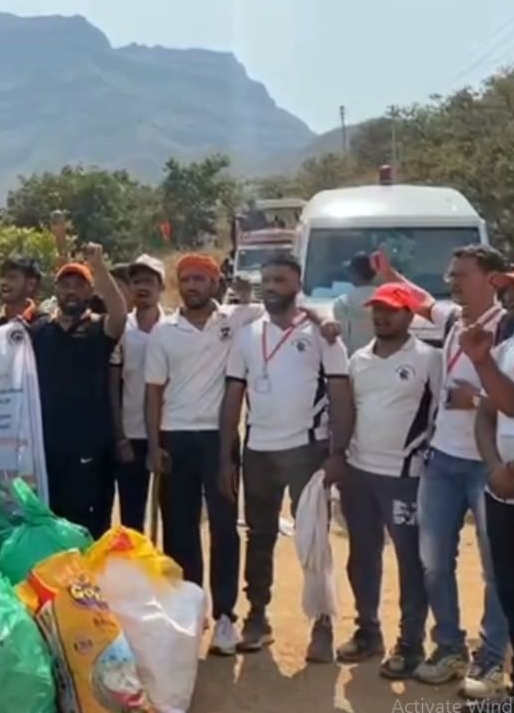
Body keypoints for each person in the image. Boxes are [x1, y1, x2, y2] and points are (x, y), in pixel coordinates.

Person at [375, 245, 513, 696]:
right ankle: (450, 647)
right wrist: (392, 273)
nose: (451, 281)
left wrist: (474, 400)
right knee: (433, 561)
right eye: (450, 273)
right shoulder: (454, 318)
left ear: (492, 279)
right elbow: (421, 301)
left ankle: (492, 659)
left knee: (497, 568)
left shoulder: (512, 327)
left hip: (489, 463)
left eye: (461, 274)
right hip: (442, 458)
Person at [219, 253, 353, 662]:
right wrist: (228, 456)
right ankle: (257, 617)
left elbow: (341, 393)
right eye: (267, 279)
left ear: (297, 282)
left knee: (313, 538)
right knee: (258, 537)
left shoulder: (321, 334)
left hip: (308, 450)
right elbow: (232, 396)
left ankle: (323, 624)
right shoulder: (246, 334)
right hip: (258, 450)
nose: (272, 286)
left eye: (280, 279)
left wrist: (338, 453)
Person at [145, 253, 262, 656]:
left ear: (215, 283)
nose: (192, 285)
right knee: (180, 529)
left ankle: (227, 616)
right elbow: (154, 391)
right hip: (174, 438)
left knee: (225, 527)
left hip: (219, 440)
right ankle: (192, 611)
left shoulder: (236, 320)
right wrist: (154, 443)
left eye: (200, 278)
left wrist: (325, 323)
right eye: (186, 279)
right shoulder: (164, 332)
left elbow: (289, 310)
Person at [334, 283, 440, 680]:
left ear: (410, 315)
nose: (381, 316)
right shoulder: (358, 359)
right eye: (376, 309)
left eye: (392, 310)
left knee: (411, 562)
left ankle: (410, 643)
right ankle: (368, 631)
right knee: (362, 556)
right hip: (359, 473)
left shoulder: (430, 360)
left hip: (406, 478)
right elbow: (349, 413)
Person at [463, 261, 514, 707]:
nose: (509, 296)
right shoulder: (510, 346)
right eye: (506, 288)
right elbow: (486, 412)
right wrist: (496, 467)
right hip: (507, 498)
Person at [29, 243, 128, 537]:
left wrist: (99, 267)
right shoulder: (38, 332)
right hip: (48, 447)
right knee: (53, 523)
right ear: (56, 291)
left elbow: (120, 315)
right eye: (65, 285)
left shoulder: (100, 330)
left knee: (90, 528)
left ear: (90, 292)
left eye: (79, 285)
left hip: (91, 446)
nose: (71, 291)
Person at [111, 254, 165, 532]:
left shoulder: (172, 328)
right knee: (132, 518)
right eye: (136, 281)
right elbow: (114, 383)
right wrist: (120, 436)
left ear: (161, 287)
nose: (142, 287)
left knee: (173, 514)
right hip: (131, 434)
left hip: (169, 433)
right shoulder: (121, 328)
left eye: (149, 281)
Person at [332, 252, 379, 355]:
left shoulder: (342, 303)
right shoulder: (385, 301)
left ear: (354, 274)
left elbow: (341, 339)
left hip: (353, 362)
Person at [0, 256, 42, 325]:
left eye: (12, 277)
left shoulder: (44, 325)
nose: (4, 282)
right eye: (2, 276)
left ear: (31, 284)